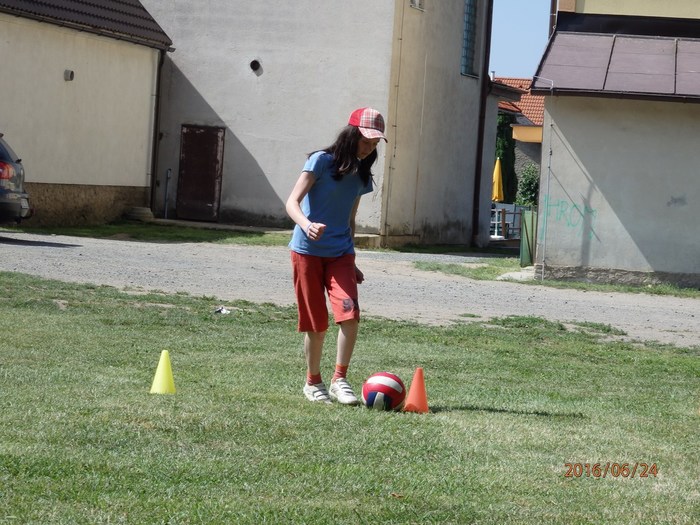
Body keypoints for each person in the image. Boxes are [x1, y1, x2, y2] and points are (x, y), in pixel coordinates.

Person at [285, 107, 387, 405]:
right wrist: (307, 225)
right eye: (365, 141)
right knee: (316, 324)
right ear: (351, 134)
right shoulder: (320, 161)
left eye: (374, 144)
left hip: (341, 254)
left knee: (350, 315)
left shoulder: (361, 175)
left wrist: (352, 261)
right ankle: (312, 382)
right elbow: (292, 202)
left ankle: (339, 380)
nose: (369, 149)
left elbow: (349, 220)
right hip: (306, 252)